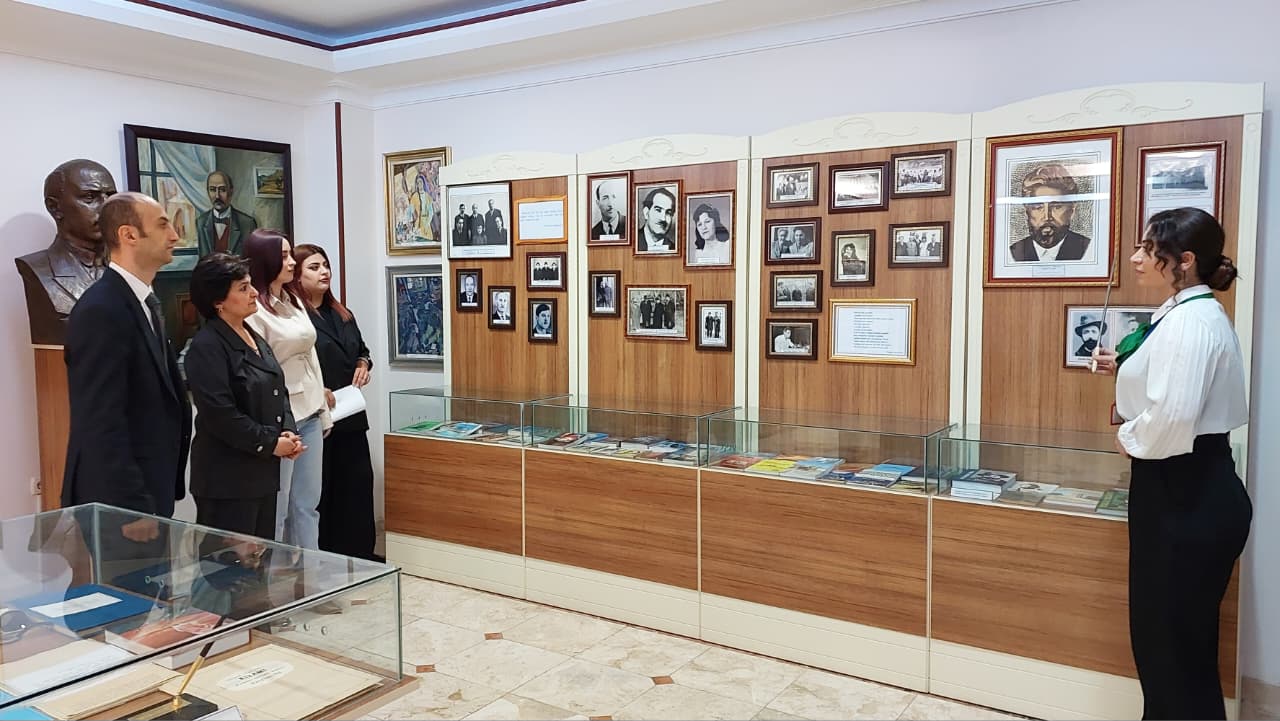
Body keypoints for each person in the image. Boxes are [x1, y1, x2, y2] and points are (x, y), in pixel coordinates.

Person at [1091, 207, 1251, 720]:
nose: (1136, 258)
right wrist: (1124, 368)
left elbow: (1173, 419)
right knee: (1169, 641)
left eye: (1148, 249)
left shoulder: (1192, 322)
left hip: (1186, 489)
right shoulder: (1181, 312)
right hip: (1180, 487)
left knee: (1172, 644)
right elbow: (1169, 382)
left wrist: (1126, 438)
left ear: (1184, 260)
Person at [62, 192, 191, 529]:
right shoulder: (102, 309)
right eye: (162, 225)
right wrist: (130, 506)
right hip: (120, 502)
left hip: (150, 488)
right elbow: (100, 419)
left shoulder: (143, 301)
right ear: (129, 234)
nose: (174, 235)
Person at [184, 253, 302, 541]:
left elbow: (277, 387)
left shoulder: (251, 334)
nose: (254, 294)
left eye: (251, 285)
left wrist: (287, 429)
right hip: (228, 477)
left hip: (262, 471)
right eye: (243, 288)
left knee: (262, 557)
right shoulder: (207, 346)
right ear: (218, 301)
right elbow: (220, 414)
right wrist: (271, 443)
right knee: (228, 562)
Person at [243, 229, 331, 552]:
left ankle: (311, 575)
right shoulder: (254, 307)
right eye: (283, 256)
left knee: (307, 505)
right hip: (280, 417)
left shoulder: (293, 300)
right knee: (277, 509)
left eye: (291, 254)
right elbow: (260, 367)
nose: (292, 262)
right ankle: (275, 578)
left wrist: (323, 408)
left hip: (310, 408)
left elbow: (311, 355)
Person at [291, 244, 377, 560]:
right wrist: (318, 389)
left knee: (357, 487)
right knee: (324, 492)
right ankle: (328, 560)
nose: (324, 272)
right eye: (314, 267)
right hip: (316, 418)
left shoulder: (342, 313)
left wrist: (363, 364)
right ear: (297, 275)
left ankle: (360, 557)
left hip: (350, 414)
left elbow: (362, 350)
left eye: (325, 265)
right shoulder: (297, 319)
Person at [15, 159, 118, 346]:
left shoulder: (129, 266)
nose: (106, 208)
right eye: (90, 197)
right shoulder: (39, 269)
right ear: (55, 207)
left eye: (110, 197)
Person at [1009, 162, 1090, 262]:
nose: (1047, 217)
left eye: (1056, 207)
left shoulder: (1087, 249)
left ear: (1072, 210)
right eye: (1038, 207)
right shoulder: (1014, 252)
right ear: (1027, 210)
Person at [196, 171, 258, 257]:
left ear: (231, 191)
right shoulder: (201, 222)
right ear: (208, 192)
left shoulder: (247, 223)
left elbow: (252, 259)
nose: (217, 196)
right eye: (212, 190)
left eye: (222, 190)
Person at [637, 186, 676, 252]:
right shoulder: (633, 242)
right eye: (658, 210)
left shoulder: (673, 248)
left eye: (668, 213)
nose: (663, 218)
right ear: (646, 213)